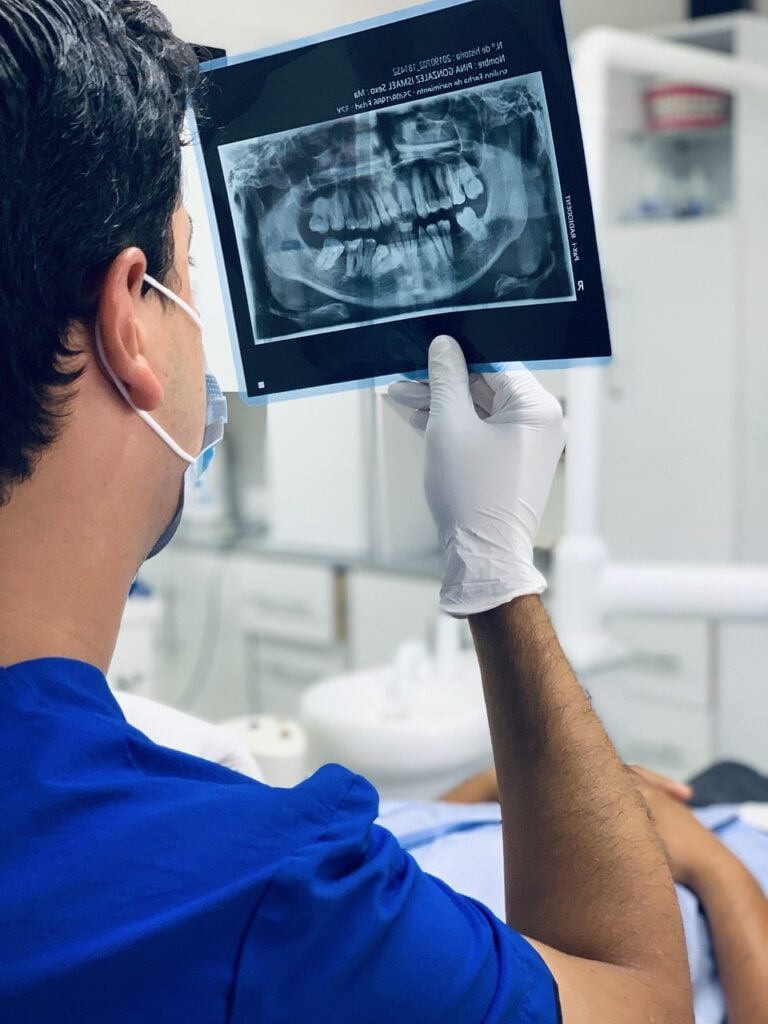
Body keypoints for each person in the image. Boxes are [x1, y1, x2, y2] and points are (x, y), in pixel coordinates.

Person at [0, 2, 694, 1021]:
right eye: (191, 268)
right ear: (129, 318)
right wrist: (498, 573)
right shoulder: (260, 894)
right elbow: (644, 1001)